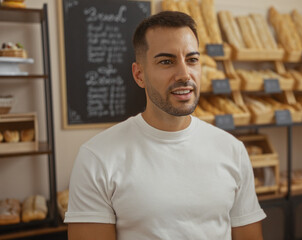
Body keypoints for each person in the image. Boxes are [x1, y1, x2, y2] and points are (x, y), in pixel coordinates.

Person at [64, 11, 266, 240]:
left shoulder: (233, 150)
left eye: (192, 60)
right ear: (139, 75)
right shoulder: (97, 158)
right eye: (166, 62)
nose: (184, 74)